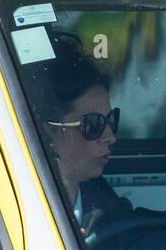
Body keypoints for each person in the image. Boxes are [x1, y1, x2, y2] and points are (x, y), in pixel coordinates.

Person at [34, 33, 131, 235]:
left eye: (111, 120)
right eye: (93, 125)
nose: (111, 137)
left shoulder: (111, 209)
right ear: (48, 133)